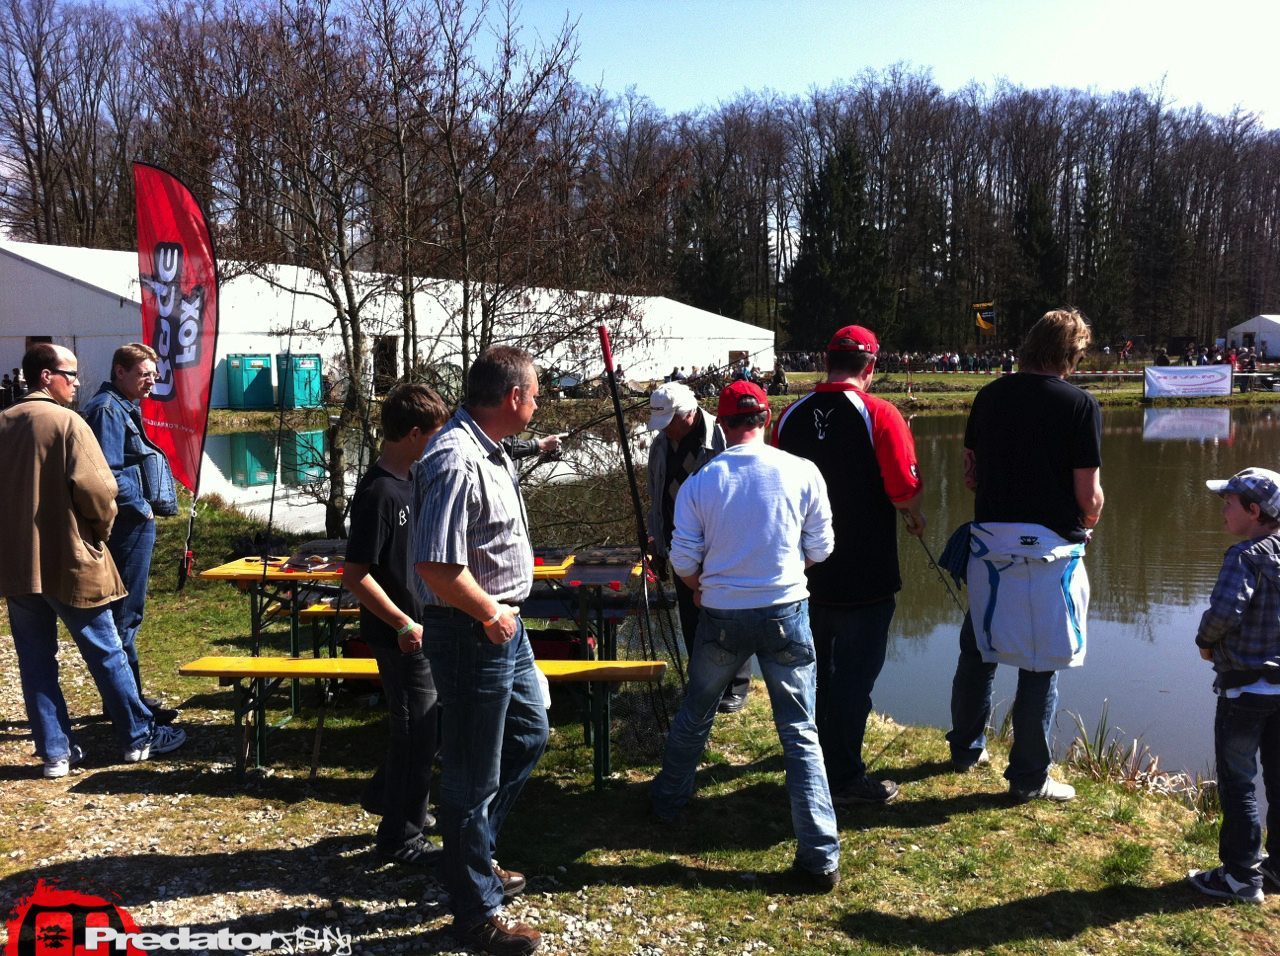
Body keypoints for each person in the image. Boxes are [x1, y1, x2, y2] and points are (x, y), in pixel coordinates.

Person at [651, 380, 841, 891]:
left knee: (696, 710)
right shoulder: (802, 471)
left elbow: (682, 559)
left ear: (723, 422)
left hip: (721, 614)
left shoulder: (701, 481)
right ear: (767, 417)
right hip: (786, 611)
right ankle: (820, 855)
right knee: (800, 731)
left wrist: (699, 588)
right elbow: (822, 547)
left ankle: (667, 802)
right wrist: (786, 571)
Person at [414, 346, 548, 956]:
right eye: (535, 394)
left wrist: (501, 616)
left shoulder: (489, 449)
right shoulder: (455, 458)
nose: (539, 403)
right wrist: (491, 613)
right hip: (474, 630)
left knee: (529, 734)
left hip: (501, 627)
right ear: (513, 397)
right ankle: (474, 913)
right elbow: (436, 566)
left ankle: (471, 858)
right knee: (471, 775)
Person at [0, 344, 186, 777]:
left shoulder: (3, 422)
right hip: (69, 559)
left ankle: (55, 753)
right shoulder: (69, 422)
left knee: (35, 660)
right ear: (46, 376)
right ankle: (138, 737)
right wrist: (99, 534)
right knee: (106, 650)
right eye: (70, 374)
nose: (77, 382)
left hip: (17, 564)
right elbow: (101, 491)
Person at [945, 308, 1103, 802]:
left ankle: (965, 749)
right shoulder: (1080, 405)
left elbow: (971, 475)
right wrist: (1091, 520)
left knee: (979, 647)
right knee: (1040, 662)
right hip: (1049, 551)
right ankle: (1029, 777)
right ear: (1072, 354)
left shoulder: (989, 396)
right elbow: (1089, 494)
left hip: (991, 544)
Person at [773, 324, 925, 805]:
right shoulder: (880, 414)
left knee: (812, 677)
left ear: (826, 360)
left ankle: (809, 765)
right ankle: (843, 779)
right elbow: (903, 489)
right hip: (866, 577)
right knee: (855, 681)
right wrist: (914, 514)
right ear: (871, 366)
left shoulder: (789, 415)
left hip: (805, 576)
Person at [343, 384, 450, 868]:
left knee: (429, 727)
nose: (440, 443)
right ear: (413, 434)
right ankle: (401, 837)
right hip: (401, 636)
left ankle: (386, 795)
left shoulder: (413, 479)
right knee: (416, 734)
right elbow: (356, 576)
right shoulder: (379, 492)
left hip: (425, 627)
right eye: (435, 435)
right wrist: (403, 622)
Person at [1186, 467, 1280, 904]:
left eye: (1228, 503)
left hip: (1245, 692)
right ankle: (1277, 867)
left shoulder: (1244, 556)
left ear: (1254, 511)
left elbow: (1225, 612)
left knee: (1238, 782)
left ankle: (1241, 877)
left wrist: (1205, 642)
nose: (1223, 510)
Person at [81, 343, 179, 723]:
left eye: (153, 374)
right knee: (125, 613)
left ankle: (125, 698)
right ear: (119, 371)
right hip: (127, 524)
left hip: (133, 522)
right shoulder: (107, 409)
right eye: (143, 374)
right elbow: (107, 473)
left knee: (127, 613)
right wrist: (141, 507)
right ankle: (126, 705)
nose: (151, 381)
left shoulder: (121, 405)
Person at [644, 382, 750, 712]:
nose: (665, 430)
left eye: (669, 422)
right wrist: (656, 541)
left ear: (688, 413)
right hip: (679, 543)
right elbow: (656, 496)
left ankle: (735, 685)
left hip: (721, 543)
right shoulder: (660, 444)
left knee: (728, 613)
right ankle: (702, 681)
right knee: (691, 616)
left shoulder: (722, 436)